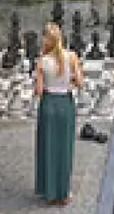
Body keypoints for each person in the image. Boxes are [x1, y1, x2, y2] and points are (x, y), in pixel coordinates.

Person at [34, 23, 86, 203]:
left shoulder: (42, 61)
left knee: (47, 146)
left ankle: (48, 190)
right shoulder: (71, 56)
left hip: (48, 104)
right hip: (65, 104)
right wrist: (69, 82)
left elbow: (39, 91)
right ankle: (63, 192)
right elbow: (80, 82)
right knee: (64, 148)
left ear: (46, 40)